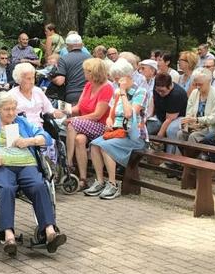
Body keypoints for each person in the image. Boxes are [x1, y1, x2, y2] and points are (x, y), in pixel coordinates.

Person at [0, 92, 66, 255]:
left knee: (39, 185)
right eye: (7, 109)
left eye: (13, 109)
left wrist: (29, 141)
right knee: (6, 188)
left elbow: (45, 137)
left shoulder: (22, 122)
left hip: (26, 164)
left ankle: (49, 231)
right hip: (2, 166)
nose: (12, 113)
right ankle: (8, 235)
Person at [88, 61, 151, 200]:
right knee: (94, 144)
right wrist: (109, 122)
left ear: (128, 76)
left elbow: (129, 114)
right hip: (117, 133)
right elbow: (112, 114)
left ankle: (113, 184)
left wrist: (122, 93)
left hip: (134, 136)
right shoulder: (116, 92)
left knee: (105, 146)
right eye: (115, 79)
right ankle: (100, 181)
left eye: (118, 79)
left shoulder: (141, 91)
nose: (116, 82)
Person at [65, 57, 113, 192]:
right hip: (86, 125)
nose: (83, 73)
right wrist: (62, 110)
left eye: (86, 71)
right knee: (79, 140)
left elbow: (98, 115)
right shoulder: (88, 85)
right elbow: (78, 107)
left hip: (101, 126)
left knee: (72, 124)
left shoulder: (107, 88)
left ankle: (68, 162)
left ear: (93, 73)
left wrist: (76, 119)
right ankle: (83, 179)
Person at [179, 68, 215, 144]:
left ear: (209, 82)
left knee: (193, 136)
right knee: (180, 134)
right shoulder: (194, 93)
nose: (198, 87)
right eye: (196, 84)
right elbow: (189, 113)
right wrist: (188, 123)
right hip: (195, 126)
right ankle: (184, 155)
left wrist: (197, 120)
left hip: (209, 128)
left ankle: (189, 156)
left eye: (200, 84)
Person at [150, 72, 187, 152]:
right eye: (158, 91)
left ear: (170, 87)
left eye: (162, 91)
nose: (159, 93)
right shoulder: (156, 88)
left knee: (171, 130)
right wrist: (148, 116)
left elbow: (169, 119)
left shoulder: (177, 95)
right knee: (148, 126)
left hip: (177, 117)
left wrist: (159, 137)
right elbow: (153, 101)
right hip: (160, 116)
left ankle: (170, 158)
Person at [51, 32, 91, 105]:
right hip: (89, 94)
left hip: (72, 95)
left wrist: (50, 77)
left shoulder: (63, 59)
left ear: (67, 46)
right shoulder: (90, 58)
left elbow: (60, 81)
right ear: (81, 45)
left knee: (73, 116)